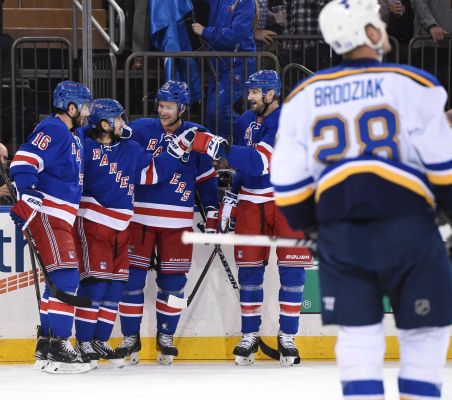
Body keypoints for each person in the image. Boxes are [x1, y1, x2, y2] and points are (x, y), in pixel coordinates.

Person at [270, 0, 452, 398]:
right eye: (379, 22)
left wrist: (316, 227)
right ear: (369, 32)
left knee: (357, 344)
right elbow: (445, 170)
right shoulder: (414, 84)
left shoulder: (303, 95)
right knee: (424, 340)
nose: (384, 27)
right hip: (410, 230)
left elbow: (285, 183)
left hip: (343, 235)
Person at [191, 70, 313, 366]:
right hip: (251, 203)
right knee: (249, 271)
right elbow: (245, 167)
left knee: (292, 273)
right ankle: (249, 335)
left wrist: (220, 148)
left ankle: (288, 338)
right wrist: (232, 196)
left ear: (271, 93)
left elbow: (260, 162)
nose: (249, 97)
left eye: (255, 92)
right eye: (249, 92)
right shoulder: (247, 121)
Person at [73, 98, 196, 369]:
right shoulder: (83, 145)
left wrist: (175, 149)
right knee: (95, 283)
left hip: (121, 227)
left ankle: (100, 340)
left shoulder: (129, 148)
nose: (124, 124)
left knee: (115, 286)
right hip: (93, 223)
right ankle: (83, 340)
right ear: (104, 124)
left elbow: (152, 174)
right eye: (118, 119)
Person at [116, 81, 218, 365]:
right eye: (161, 105)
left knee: (173, 284)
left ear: (182, 108)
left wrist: (211, 212)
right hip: (139, 218)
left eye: (169, 106)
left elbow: (206, 179)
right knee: (131, 282)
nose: (163, 111)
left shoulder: (197, 134)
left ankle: (166, 336)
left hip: (177, 221)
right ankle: (130, 338)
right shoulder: (141, 129)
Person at [9, 80, 94, 374]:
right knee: (67, 278)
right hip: (48, 213)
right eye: (83, 106)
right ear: (70, 107)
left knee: (56, 282)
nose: (86, 112)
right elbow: (23, 160)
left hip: (60, 216)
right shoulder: (53, 129)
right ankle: (59, 346)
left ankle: (45, 348)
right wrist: (27, 190)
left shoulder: (73, 134)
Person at [192, 0, 257, 140]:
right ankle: (223, 153)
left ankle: (253, 135)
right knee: (212, 116)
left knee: (217, 111)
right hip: (219, 64)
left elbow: (235, 34)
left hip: (239, 64)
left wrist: (205, 31)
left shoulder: (246, 2)